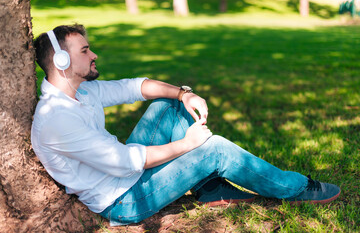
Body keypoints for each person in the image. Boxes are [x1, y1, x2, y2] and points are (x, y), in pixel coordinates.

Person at [31, 24, 341, 226]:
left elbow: (134, 87)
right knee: (215, 150)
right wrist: (188, 144)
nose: (94, 54)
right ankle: (297, 188)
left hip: (126, 176)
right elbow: (125, 161)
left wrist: (185, 94)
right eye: (85, 51)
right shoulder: (57, 120)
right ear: (61, 63)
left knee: (169, 105)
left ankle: (208, 189)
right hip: (122, 200)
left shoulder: (80, 91)